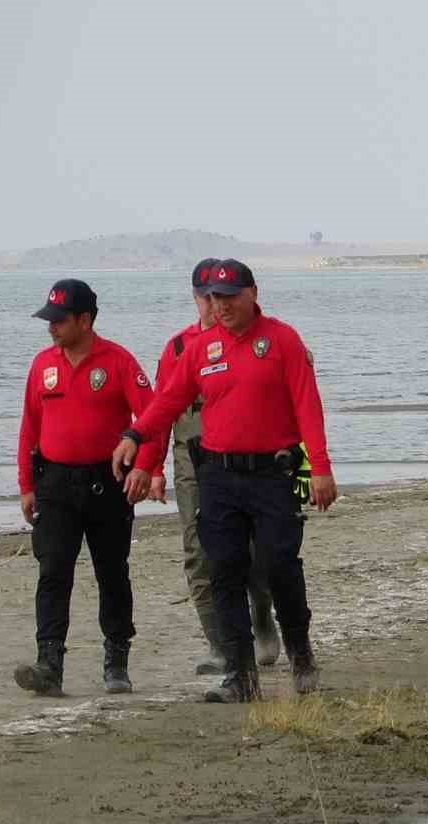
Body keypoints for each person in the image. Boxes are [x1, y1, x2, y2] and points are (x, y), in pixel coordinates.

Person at [114, 259, 336, 703]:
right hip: (217, 476)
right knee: (224, 572)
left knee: (278, 565)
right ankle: (240, 676)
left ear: (252, 292)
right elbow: (168, 401)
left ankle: (300, 651)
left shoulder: (282, 340)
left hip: (273, 475)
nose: (221, 306)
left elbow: (307, 405)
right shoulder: (200, 349)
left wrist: (321, 468)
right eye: (214, 298)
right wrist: (135, 436)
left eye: (230, 296)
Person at [14, 279, 160, 697]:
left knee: (111, 572)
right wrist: (26, 485)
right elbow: (29, 428)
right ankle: (49, 664)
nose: (51, 327)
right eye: (49, 320)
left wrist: (147, 468)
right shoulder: (42, 364)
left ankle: (117, 660)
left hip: (107, 484)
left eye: (59, 320)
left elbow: (152, 418)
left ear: (85, 320)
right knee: (53, 572)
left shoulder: (118, 361)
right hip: (54, 485)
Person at [151, 259, 279, 674]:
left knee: (254, 551)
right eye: (206, 297)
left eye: (220, 296)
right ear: (195, 298)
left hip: (244, 456)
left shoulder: (255, 340)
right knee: (198, 551)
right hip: (191, 457)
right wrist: (153, 467)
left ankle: (262, 615)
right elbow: (160, 411)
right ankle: (220, 644)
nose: (214, 304)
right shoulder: (177, 349)